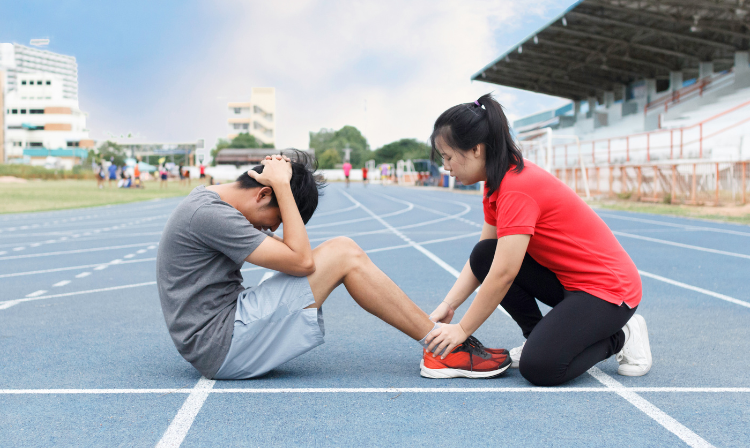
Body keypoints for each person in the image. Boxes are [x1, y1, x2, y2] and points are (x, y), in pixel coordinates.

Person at [156, 149, 509, 380]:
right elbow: (301, 260)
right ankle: (442, 349)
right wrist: (282, 186)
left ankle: (441, 343)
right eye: (271, 221)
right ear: (264, 193)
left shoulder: (209, 203)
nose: (268, 229)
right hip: (221, 343)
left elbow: (295, 258)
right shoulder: (210, 215)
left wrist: (281, 195)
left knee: (337, 252)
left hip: (222, 332)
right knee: (343, 252)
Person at [423, 94, 652, 386]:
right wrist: (449, 304)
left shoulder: (517, 187)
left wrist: (462, 330)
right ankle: (539, 337)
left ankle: (620, 335)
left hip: (607, 291)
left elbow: (504, 274)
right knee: (484, 254)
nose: (445, 167)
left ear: (476, 149)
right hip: (570, 282)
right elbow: (486, 258)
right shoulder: (496, 181)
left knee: (541, 368)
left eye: (448, 157)